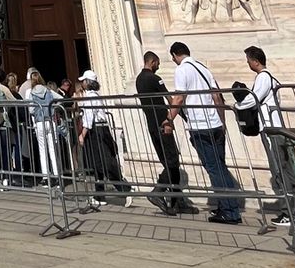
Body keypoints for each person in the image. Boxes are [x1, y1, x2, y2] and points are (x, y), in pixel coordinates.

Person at [167, 42, 243, 224]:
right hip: (215, 124)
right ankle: (228, 207)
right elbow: (218, 96)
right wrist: (222, 123)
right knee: (220, 167)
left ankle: (230, 212)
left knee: (214, 169)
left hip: (200, 126)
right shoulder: (203, 68)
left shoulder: (182, 70)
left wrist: (168, 119)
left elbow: (178, 97)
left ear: (174, 55)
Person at [233, 46, 295, 228]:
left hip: (271, 128)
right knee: (287, 170)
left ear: (255, 61)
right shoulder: (268, 77)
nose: (248, 63)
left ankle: (289, 213)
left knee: (279, 170)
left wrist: (237, 105)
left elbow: (254, 98)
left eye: (248, 60)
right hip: (275, 127)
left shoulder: (263, 77)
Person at [135, 51, 195, 215]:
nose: (159, 66)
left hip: (152, 124)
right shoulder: (154, 79)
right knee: (172, 160)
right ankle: (158, 191)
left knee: (168, 161)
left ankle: (176, 201)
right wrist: (180, 114)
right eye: (158, 63)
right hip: (163, 123)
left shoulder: (139, 79)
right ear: (153, 62)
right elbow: (169, 97)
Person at [76, 70, 133, 207]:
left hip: (96, 131)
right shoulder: (96, 95)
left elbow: (89, 117)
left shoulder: (90, 97)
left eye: (84, 81)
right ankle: (99, 195)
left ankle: (124, 189)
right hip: (102, 129)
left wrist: (82, 134)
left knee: (104, 162)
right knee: (98, 165)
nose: (82, 83)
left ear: (87, 82)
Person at [25, 69, 65, 188]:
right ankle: (58, 177)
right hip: (50, 121)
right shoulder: (48, 90)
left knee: (43, 151)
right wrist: (53, 108)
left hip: (39, 122)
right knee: (53, 149)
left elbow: (31, 109)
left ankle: (46, 177)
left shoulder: (30, 92)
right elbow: (61, 99)